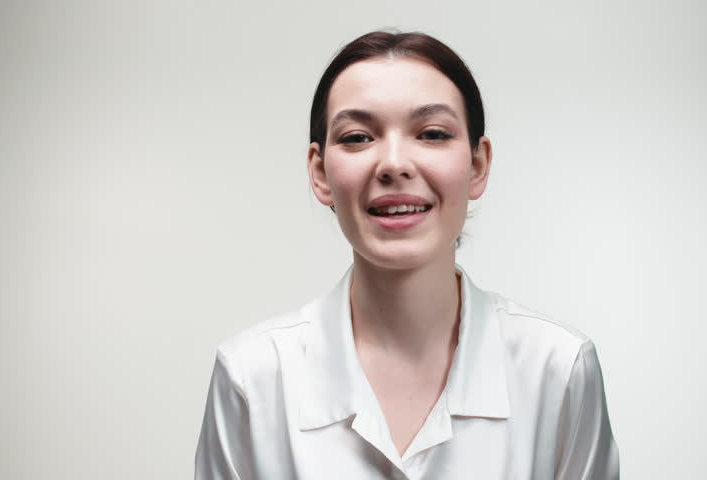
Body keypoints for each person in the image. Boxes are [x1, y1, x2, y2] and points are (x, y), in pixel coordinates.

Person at [195, 30, 619, 479]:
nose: (394, 164)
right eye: (358, 137)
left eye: (432, 133)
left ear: (477, 165)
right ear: (319, 173)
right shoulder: (252, 378)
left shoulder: (558, 369)